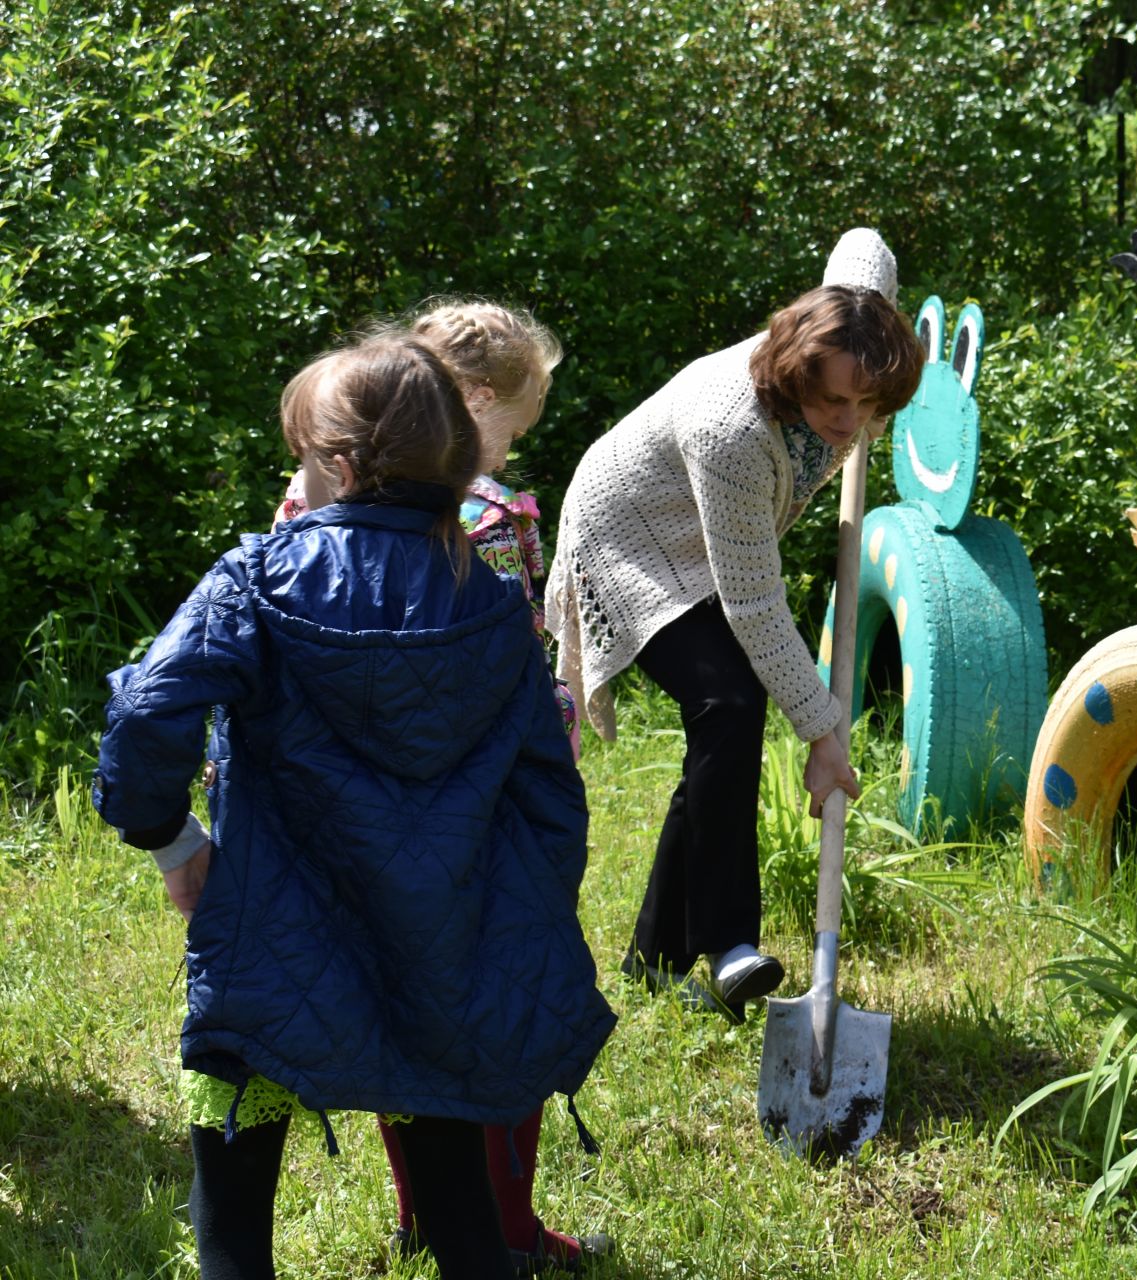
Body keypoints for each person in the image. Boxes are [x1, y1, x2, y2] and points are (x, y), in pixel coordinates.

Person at [93, 333, 616, 1280]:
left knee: (234, 1217)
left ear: (337, 462)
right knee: (460, 1199)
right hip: (443, 948)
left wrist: (172, 842)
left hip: (267, 938)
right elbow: (549, 791)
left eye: (301, 455)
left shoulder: (254, 580)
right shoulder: (491, 603)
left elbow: (143, 708)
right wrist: (517, 908)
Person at [272, 300, 601, 1270]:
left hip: (363, 816)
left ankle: (427, 1211)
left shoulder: (313, 504)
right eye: (505, 431)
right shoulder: (493, 520)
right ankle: (503, 1226)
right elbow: (517, 678)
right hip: (486, 817)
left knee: (405, 1024)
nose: (502, 451)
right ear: (470, 404)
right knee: (506, 1017)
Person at [547, 229, 924, 1012]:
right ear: (794, 375)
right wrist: (824, 734)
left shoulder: (862, 352)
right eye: (832, 402)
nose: (850, 422)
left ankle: (653, 960)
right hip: (627, 535)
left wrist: (870, 267)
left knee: (725, 718)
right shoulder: (733, 428)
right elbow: (755, 606)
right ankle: (729, 946)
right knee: (727, 702)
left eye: (868, 404)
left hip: (703, 532)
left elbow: (862, 253)